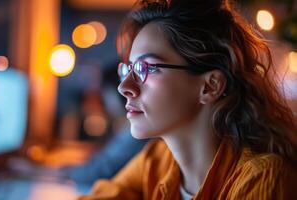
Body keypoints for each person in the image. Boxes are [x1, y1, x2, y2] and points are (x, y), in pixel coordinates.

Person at [78, 0, 297, 199]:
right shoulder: (157, 160)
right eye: (128, 69)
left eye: (147, 68)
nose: (124, 87)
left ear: (210, 86)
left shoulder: (263, 178)